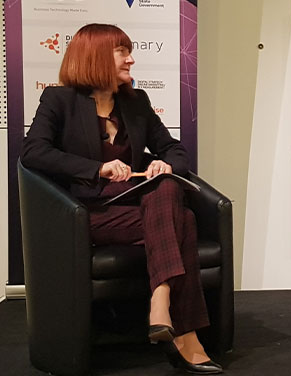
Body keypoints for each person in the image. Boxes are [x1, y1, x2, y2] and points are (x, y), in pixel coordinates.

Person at [20, 24, 222, 375]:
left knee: (169, 185)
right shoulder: (59, 100)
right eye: (122, 52)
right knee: (184, 221)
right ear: (96, 56)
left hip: (136, 206)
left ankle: (161, 304)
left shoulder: (135, 101)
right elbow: (33, 152)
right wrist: (97, 168)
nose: (132, 59)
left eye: (130, 50)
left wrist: (165, 162)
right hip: (88, 212)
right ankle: (185, 336)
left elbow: (174, 149)